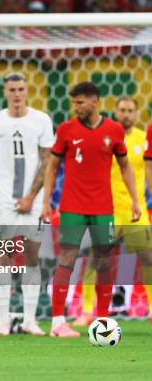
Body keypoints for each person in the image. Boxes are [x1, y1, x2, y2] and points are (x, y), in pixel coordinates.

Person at [42, 82, 141, 338]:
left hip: (102, 207)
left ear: (94, 101)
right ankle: (57, 323)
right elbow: (52, 167)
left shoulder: (114, 131)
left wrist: (135, 200)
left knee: (104, 261)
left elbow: (125, 167)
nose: (76, 107)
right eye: (73, 102)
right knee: (68, 258)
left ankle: (103, 320)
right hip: (73, 206)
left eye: (80, 102)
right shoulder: (65, 130)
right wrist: (45, 202)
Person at [0, 73, 53, 336]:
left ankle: (29, 320)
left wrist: (32, 197)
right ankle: (3, 321)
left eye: (21, 89)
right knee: (3, 256)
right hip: (3, 200)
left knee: (32, 256)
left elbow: (47, 160)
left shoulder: (41, 120)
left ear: (27, 90)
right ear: (5, 91)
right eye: (11, 89)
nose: (16, 94)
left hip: (32, 201)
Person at [74, 96, 152, 325]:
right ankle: (87, 311)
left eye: (130, 110)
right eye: (122, 110)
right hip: (106, 210)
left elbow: (148, 170)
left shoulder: (142, 139)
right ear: (115, 112)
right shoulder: (105, 137)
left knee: (148, 258)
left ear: (137, 114)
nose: (126, 114)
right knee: (96, 259)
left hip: (134, 211)